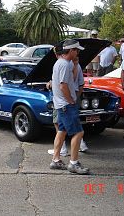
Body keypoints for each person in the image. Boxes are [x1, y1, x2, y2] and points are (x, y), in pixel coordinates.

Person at [49, 39, 90, 174]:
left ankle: (55, 160)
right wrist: (71, 100)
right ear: (71, 50)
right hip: (66, 105)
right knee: (79, 132)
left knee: (62, 131)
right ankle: (73, 163)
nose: (78, 53)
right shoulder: (65, 64)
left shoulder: (60, 63)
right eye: (76, 50)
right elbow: (63, 85)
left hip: (61, 104)